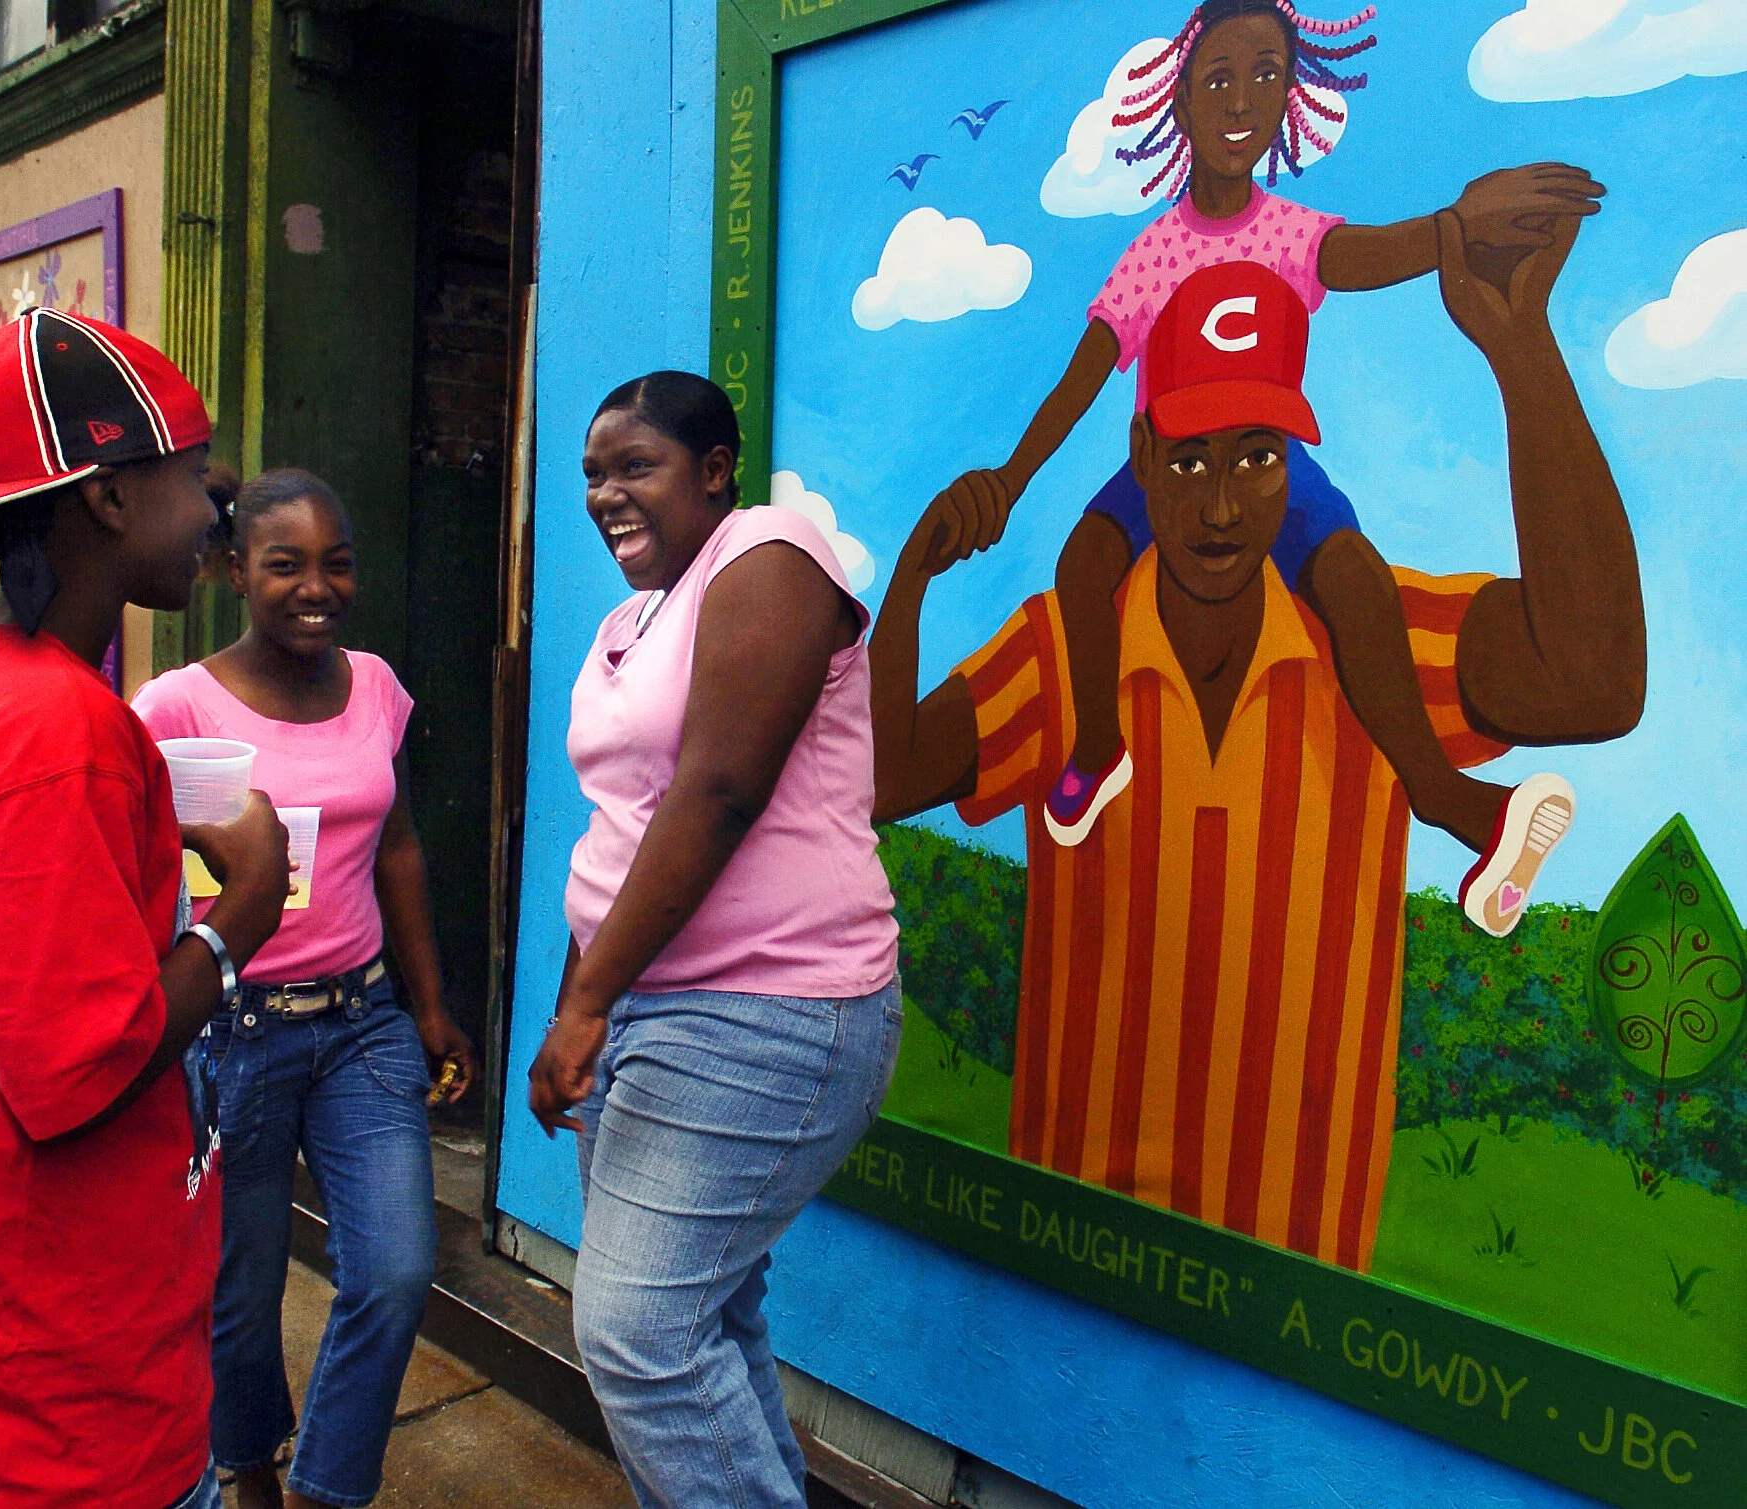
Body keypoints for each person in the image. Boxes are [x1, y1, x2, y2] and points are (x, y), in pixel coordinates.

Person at [870, 224, 1643, 1268]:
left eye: (1256, 457)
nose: (1222, 504)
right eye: (1187, 460)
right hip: (1070, 1261)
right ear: (1139, 458)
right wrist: (908, 587)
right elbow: (876, 782)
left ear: (1294, 464)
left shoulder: (1371, 656)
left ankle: (1467, 809)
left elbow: (1592, 677)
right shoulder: (1058, 656)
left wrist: (1519, 350)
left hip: (1300, 1278)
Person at [937, 0, 1602, 935]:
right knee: (1082, 565)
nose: (1242, 97)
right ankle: (1096, 746)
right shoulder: (1155, 253)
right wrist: (1009, 479)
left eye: (1264, 74)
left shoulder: (1288, 233)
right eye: (1218, 78)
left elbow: (1369, 256)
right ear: (1181, 100)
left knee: (1356, 582)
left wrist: (1457, 229)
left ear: (1291, 94)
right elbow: (1082, 378)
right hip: (1162, 469)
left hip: (1268, 464)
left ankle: (1458, 803)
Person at [0, 308, 292, 1509]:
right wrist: (235, 916)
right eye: (193, 478)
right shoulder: (56, 732)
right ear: (105, 497)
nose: (212, 516)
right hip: (53, 1403)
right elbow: (79, 1075)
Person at [526, 371, 902, 1508]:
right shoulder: (628, 621)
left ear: (714, 470)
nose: (606, 494)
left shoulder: (772, 559)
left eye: (633, 466)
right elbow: (624, 829)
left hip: (769, 1009)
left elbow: (721, 788)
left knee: (639, 1332)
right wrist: (577, 1003)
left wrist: (588, 1004)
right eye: (592, 473)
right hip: (644, 1008)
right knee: (702, 1319)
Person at [133, 468, 477, 1509]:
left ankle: (327, 1486)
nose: (314, 587)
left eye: (336, 563)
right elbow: (135, 875)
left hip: (360, 1022)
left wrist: (426, 1004)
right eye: (284, 564)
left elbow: (399, 850)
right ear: (235, 569)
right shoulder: (174, 706)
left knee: (394, 1271)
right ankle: (246, 1472)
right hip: (229, 1031)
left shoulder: (373, 684)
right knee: (237, 1293)